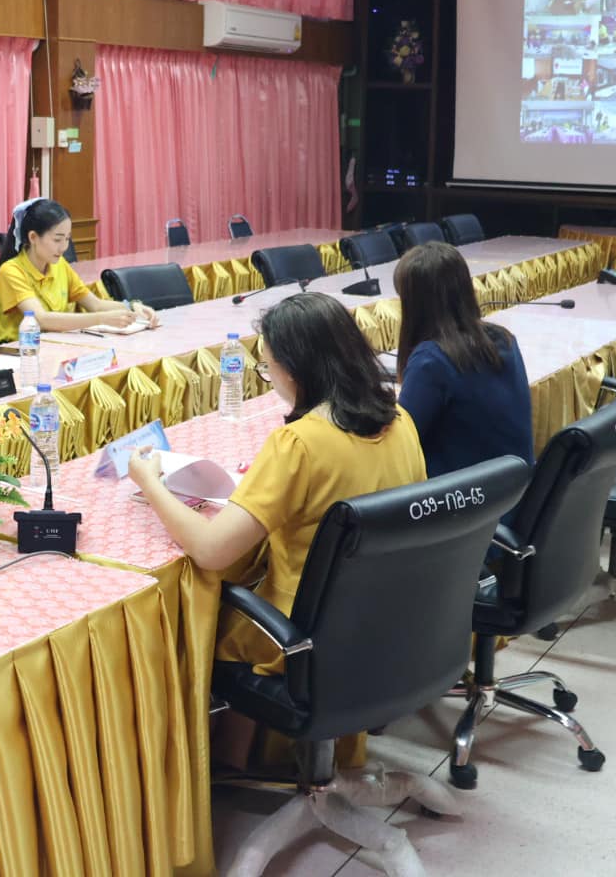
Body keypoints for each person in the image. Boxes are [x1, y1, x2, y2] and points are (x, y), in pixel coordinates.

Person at [128, 292, 425, 675]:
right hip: (385, 617)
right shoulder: (401, 418)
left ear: (294, 371)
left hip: (302, 632)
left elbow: (210, 551)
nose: (270, 380)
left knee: (186, 641)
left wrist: (150, 483)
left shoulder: (299, 443)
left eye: (267, 368)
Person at [391, 241, 535, 477]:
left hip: (460, 503)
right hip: (509, 495)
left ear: (414, 304)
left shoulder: (432, 361)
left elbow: (400, 444)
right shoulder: (504, 340)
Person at [0, 198, 158, 342]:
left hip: (58, 347)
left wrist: (131, 308)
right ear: (33, 237)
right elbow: (42, 319)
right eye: (57, 239)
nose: (64, 247)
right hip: (23, 354)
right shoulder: (11, 271)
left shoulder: (60, 265)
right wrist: (101, 319)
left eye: (67, 239)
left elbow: (96, 305)